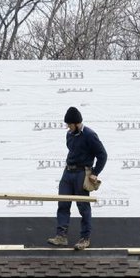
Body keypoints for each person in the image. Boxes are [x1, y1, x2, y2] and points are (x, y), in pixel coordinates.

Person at [47, 107, 108, 250]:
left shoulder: (90, 135)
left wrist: (95, 173)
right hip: (67, 173)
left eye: (69, 124)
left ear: (76, 123)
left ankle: (85, 239)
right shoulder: (69, 134)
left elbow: (102, 155)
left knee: (83, 206)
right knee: (63, 203)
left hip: (82, 174)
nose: (68, 127)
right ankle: (61, 236)